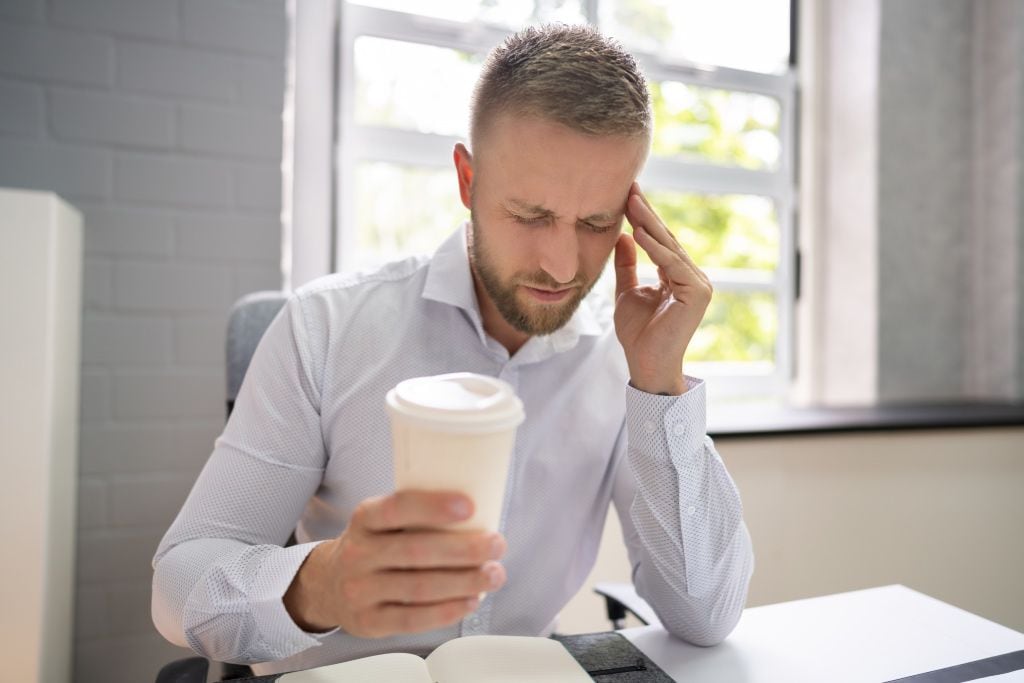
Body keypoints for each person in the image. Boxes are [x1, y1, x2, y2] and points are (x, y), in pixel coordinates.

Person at [152, 23, 754, 676]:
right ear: (467, 179)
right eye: (530, 215)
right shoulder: (325, 326)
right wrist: (319, 582)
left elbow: (708, 615)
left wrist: (660, 385)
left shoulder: (623, 360)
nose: (559, 265)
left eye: (595, 222)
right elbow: (179, 579)